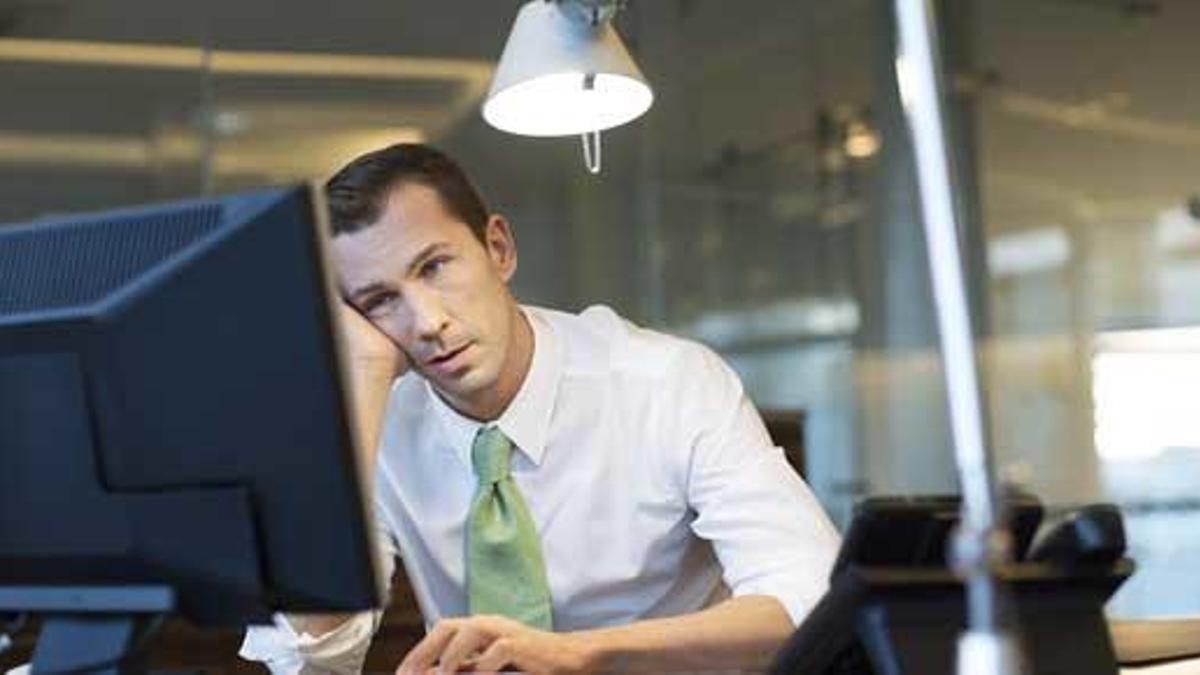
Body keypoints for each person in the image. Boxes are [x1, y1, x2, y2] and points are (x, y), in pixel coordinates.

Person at [240, 143, 840, 674]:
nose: (428, 323)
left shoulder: (665, 382)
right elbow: (308, 659)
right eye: (379, 301)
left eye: (434, 267)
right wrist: (364, 380)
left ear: (497, 248)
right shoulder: (383, 420)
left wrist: (579, 655)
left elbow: (808, 600)